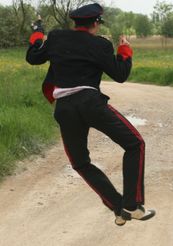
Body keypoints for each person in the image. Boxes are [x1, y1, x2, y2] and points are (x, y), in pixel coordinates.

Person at [26, 3, 155, 226]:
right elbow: (120, 75)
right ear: (95, 23)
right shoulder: (100, 44)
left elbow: (33, 57)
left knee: (80, 162)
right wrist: (125, 51)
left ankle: (117, 206)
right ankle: (131, 206)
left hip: (64, 108)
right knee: (135, 144)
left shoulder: (56, 37)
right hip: (90, 104)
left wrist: (37, 33)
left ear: (76, 22)